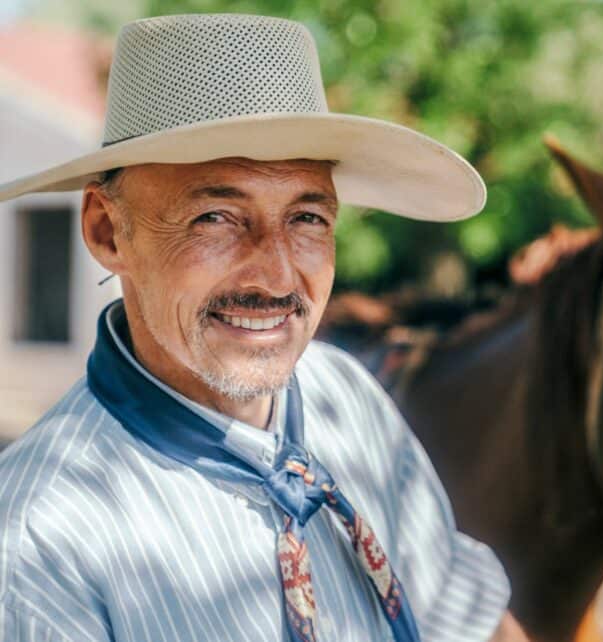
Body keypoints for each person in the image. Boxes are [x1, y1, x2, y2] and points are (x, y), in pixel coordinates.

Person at [0, 13, 526, 642]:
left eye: (307, 218)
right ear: (108, 232)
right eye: (216, 216)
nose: (277, 274)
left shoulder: (341, 392)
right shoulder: (39, 543)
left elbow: (469, 619)